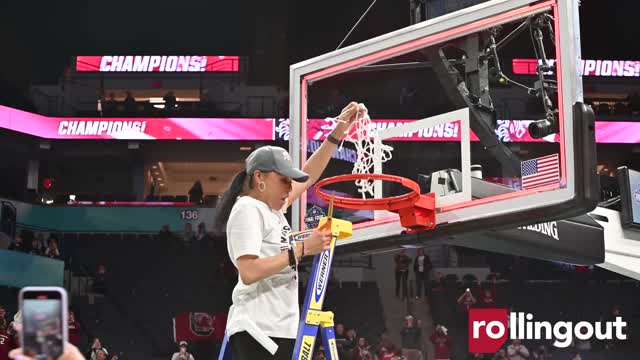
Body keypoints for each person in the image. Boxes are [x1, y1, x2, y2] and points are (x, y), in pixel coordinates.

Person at [214, 102, 364, 360]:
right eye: (283, 179)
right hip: (259, 328)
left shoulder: (271, 208)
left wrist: (338, 132)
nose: (289, 185)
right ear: (260, 178)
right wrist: (304, 248)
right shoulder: (248, 208)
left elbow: (309, 175)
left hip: (277, 327)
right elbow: (249, 272)